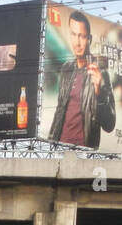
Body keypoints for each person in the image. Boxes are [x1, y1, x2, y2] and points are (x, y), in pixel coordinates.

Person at [46, 12, 116, 149]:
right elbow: (59, 111)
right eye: (73, 34)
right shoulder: (67, 68)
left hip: (83, 151)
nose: (77, 42)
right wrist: (50, 142)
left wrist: (99, 92)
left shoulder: (100, 72)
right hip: (59, 147)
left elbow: (109, 125)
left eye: (82, 36)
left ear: (89, 39)